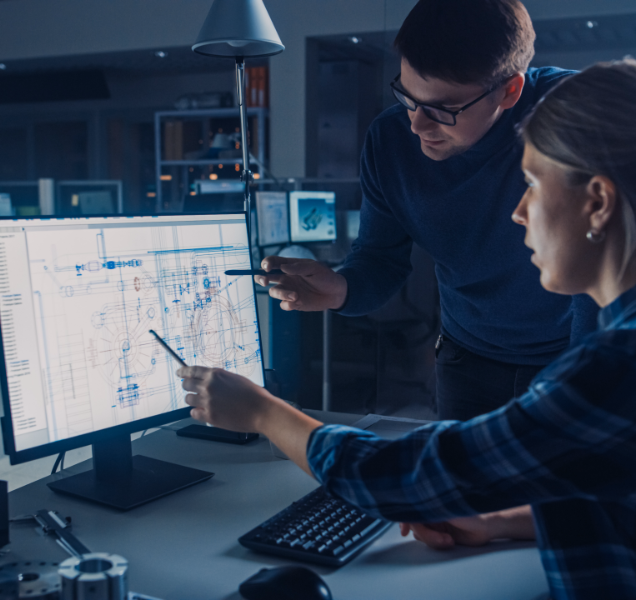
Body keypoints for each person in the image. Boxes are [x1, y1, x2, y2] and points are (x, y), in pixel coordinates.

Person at [177, 58, 636, 599]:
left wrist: (259, 410)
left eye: (533, 183)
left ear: (599, 202)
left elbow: (400, 476)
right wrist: (503, 521)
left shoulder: (611, 370)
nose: (518, 212)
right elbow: (614, 498)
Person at [256, 0, 599, 420]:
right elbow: (380, 258)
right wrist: (341, 288)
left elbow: (604, 263)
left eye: (443, 108)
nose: (417, 124)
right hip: (467, 359)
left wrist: (591, 376)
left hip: (576, 353)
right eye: (407, 95)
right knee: (461, 482)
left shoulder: (579, 114)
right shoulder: (391, 141)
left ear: (510, 90)